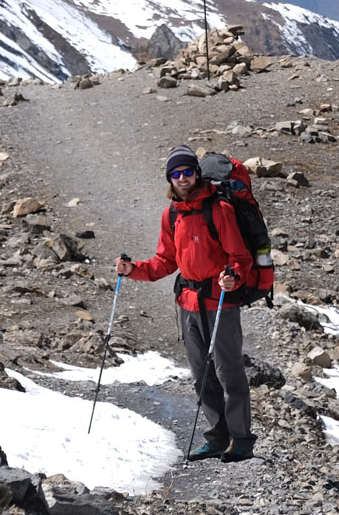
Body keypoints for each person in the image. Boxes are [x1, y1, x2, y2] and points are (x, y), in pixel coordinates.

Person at [116, 144, 256, 462]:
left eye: (188, 171)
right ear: (170, 178)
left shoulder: (218, 209)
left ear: (197, 174)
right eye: (176, 174)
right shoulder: (173, 214)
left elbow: (240, 256)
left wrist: (233, 274)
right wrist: (132, 269)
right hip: (188, 303)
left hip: (220, 301)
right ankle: (217, 438)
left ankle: (242, 440)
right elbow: (165, 262)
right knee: (201, 373)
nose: (183, 178)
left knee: (229, 372)